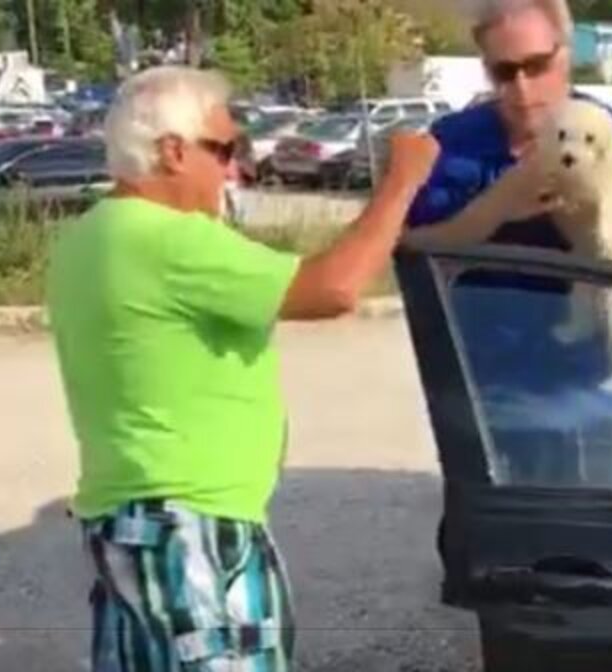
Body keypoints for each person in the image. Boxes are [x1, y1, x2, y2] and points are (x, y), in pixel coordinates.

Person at [45, 66, 439, 671]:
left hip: (134, 518)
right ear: (172, 152)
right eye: (225, 149)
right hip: (186, 523)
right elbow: (332, 289)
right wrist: (400, 183)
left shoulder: (89, 236)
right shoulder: (168, 240)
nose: (236, 169)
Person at [403, 0, 612, 486]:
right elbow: (407, 251)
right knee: (489, 551)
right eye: (504, 71)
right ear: (485, 68)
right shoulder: (451, 145)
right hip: (486, 394)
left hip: (594, 397)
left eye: (537, 65)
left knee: (591, 551)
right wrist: (497, 205)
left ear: (565, 55)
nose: (522, 88)